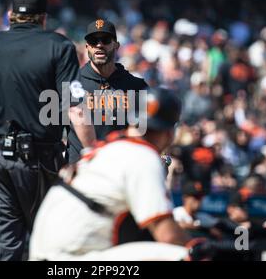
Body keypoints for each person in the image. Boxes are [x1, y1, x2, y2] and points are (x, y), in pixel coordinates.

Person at [0, 0, 94, 261]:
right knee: (50, 246)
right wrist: (94, 153)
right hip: (41, 161)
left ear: (9, 16)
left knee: (4, 252)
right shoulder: (59, 46)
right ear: (43, 19)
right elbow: (77, 110)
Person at [30, 87, 199, 261]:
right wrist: (199, 246)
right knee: (185, 255)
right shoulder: (142, 156)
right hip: (67, 259)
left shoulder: (111, 146)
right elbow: (168, 236)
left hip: (43, 251)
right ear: (170, 133)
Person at [66, 19, 148, 164]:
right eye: (93, 41)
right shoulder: (71, 84)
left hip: (118, 170)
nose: (99, 45)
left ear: (116, 45)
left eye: (105, 40)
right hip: (81, 171)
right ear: (87, 46)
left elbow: (144, 133)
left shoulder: (136, 86)